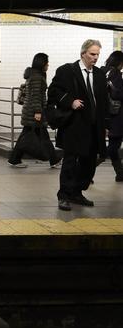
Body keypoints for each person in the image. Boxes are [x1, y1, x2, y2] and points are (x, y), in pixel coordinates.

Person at [48, 39, 108, 211]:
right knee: (70, 161)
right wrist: (70, 101)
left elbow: (103, 101)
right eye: (92, 54)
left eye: (97, 54)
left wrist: (106, 124)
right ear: (83, 53)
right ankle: (64, 195)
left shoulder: (99, 74)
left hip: (94, 126)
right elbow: (53, 92)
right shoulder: (67, 71)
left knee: (89, 163)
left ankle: (76, 192)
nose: (95, 58)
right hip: (74, 125)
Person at [7, 53, 61, 169]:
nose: (48, 65)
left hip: (30, 111)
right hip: (34, 112)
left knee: (27, 135)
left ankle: (14, 159)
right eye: (47, 62)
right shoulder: (37, 77)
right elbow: (36, 96)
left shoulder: (34, 75)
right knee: (43, 136)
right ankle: (54, 160)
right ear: (42, 63)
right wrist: (38, 111)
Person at [102, 50, 123, 181]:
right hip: (117, 115)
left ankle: (120, 173)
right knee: (113, 146)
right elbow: (117, 94)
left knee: (113, 145)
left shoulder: (101, 71)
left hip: (106, 114)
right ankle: (85, 171)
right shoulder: (115, 73)